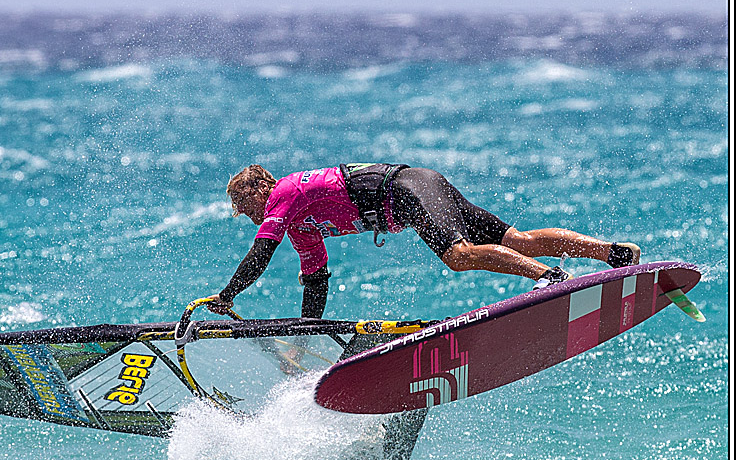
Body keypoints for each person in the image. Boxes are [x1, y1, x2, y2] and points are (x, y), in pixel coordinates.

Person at [204, 163, 641, 318]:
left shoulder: (283, 194)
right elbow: (316, 280)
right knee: (519, 239)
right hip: (420, 185)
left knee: (458, 256)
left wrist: (226, 296)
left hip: (406, 193)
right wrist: (308, 334)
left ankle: (549, 277)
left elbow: (260, 254)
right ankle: (614, 253)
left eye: (243, 203)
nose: (244, 214)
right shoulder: (302, 224)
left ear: (260, 188)